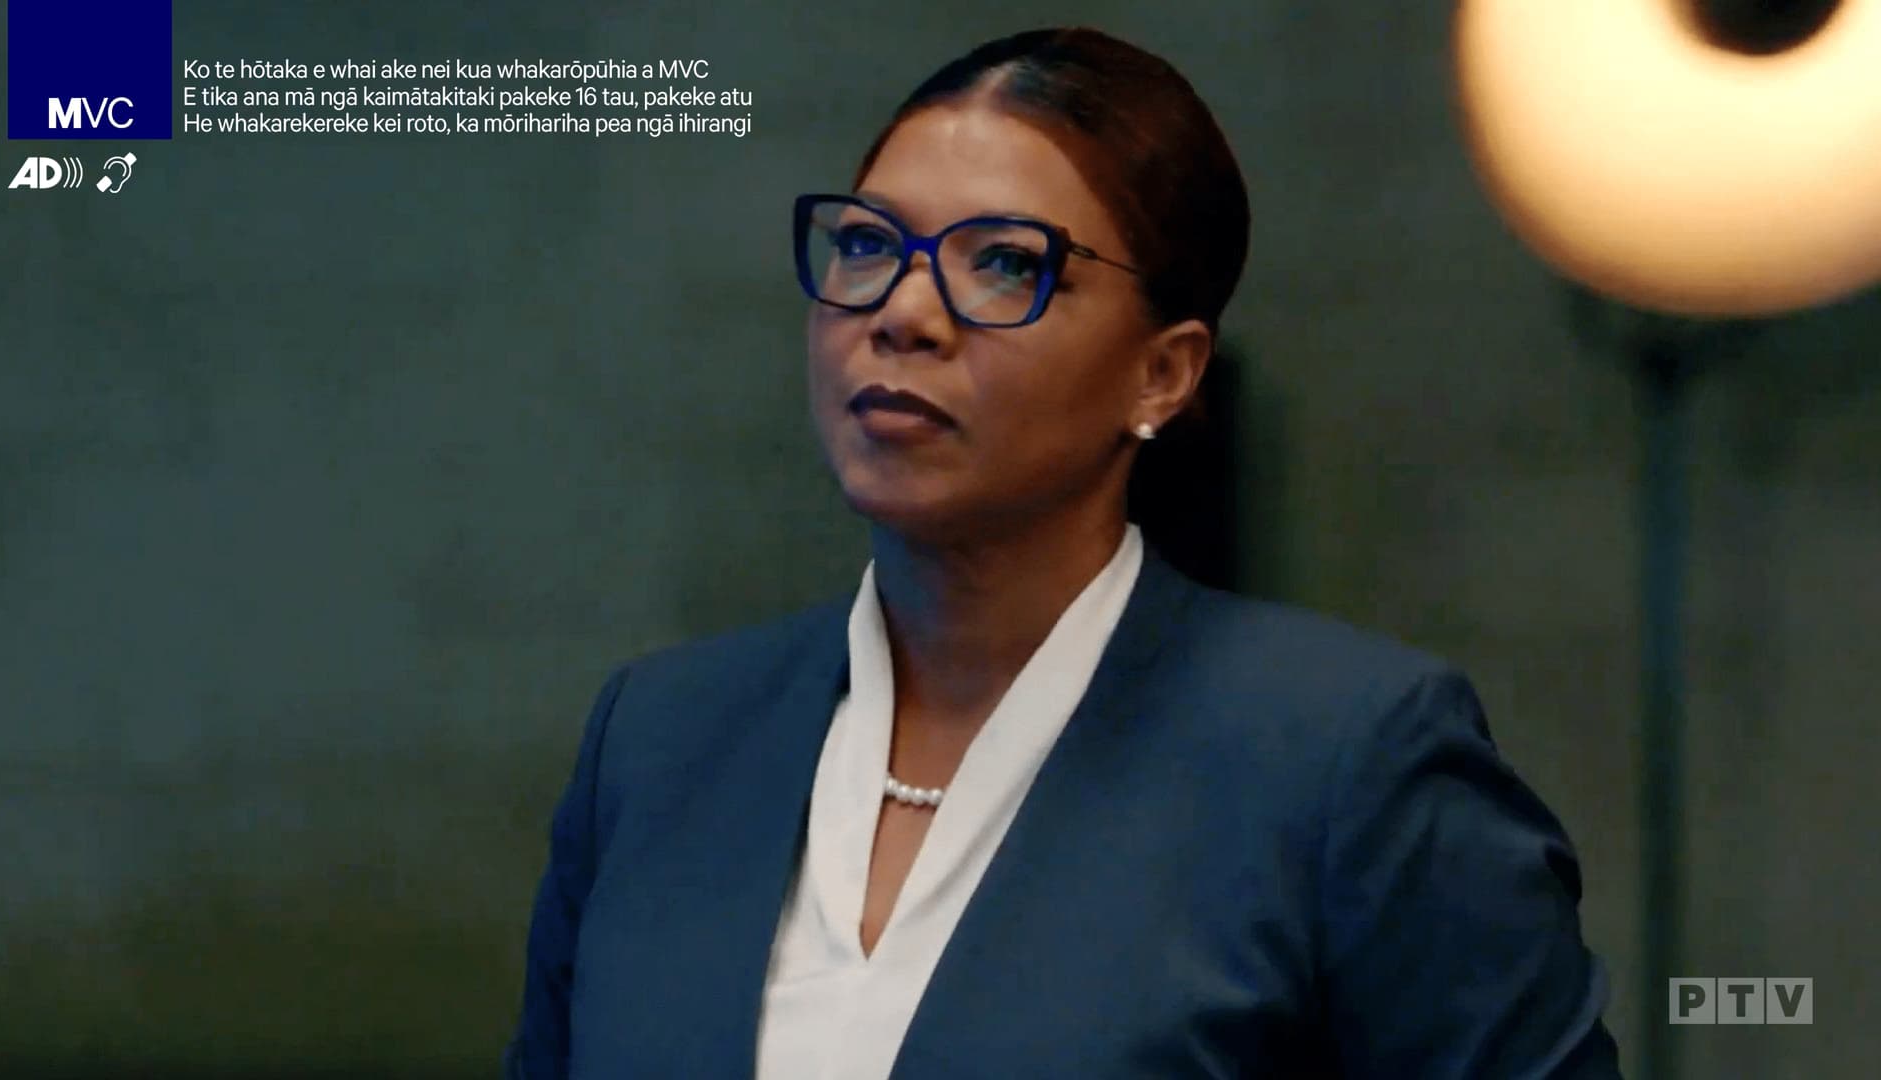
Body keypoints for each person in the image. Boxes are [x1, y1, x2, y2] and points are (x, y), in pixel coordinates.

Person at [504, 26, 1622, 1079]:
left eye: (1002, 263)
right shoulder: (660, 740)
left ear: (1162, 375)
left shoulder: (1347, 764)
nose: (903, 313)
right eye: (868, 245)